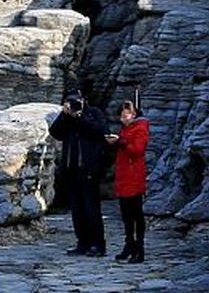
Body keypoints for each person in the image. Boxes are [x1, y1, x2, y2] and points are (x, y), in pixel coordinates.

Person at [48, 93, 110, 256]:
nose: (74, 104)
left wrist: (80, 117)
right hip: (71, 170)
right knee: (77, 210)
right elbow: (55, 133)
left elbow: (100, 131)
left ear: (84, 101)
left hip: (89, 169)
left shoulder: (94, 113)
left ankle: (98, 244)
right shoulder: (67, 118)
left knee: (92, 209)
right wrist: (65, 115)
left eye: (77, 101)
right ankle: (82, 243)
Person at [107, 100, 148, 264]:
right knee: (126, 215)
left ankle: (139, 248)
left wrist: (119, 142)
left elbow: (137, 150)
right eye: (122, 116)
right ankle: (129, 244)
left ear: (134, 115)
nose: (123, 119)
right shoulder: (127, 129)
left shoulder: (140, 128)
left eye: (126, 116)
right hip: (125, 176)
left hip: (134, 176)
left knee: (136, 214)